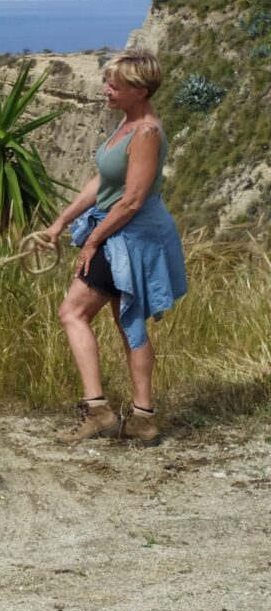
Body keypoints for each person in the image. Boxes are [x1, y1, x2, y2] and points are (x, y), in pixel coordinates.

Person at [44, 49, 186, 446]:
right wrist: (59, 224)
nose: (106, 89)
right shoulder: (127, 124)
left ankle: (99, 412)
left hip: (129, 236)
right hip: (119, 232)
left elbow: (132, 200)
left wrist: (92, 240)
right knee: (128, 322)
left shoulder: (145, 132)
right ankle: (142, 418)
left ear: (140, 90)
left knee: (73, 312)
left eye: (115, 85)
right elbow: (102, 185)